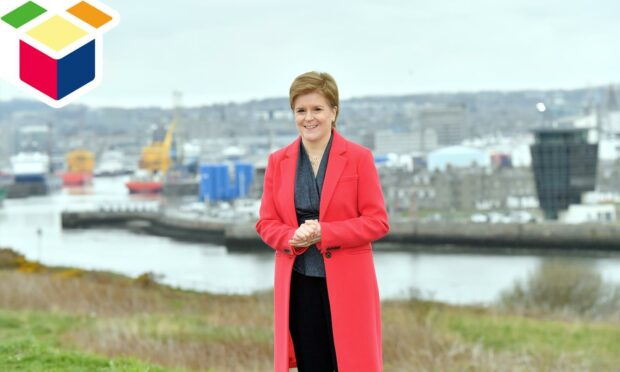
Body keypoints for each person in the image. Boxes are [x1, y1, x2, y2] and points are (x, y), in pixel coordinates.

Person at [256, 71, 389, 372]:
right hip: (299, 283)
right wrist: (292, 237)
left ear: (333, 111)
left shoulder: (358, 158)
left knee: (352, 364)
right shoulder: (278, 161)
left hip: (349, 284)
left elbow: (377, 221)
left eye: (317, 109)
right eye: (301, 110)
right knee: (311, 363)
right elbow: (265, 223)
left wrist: (324, 233)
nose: (309, 118)